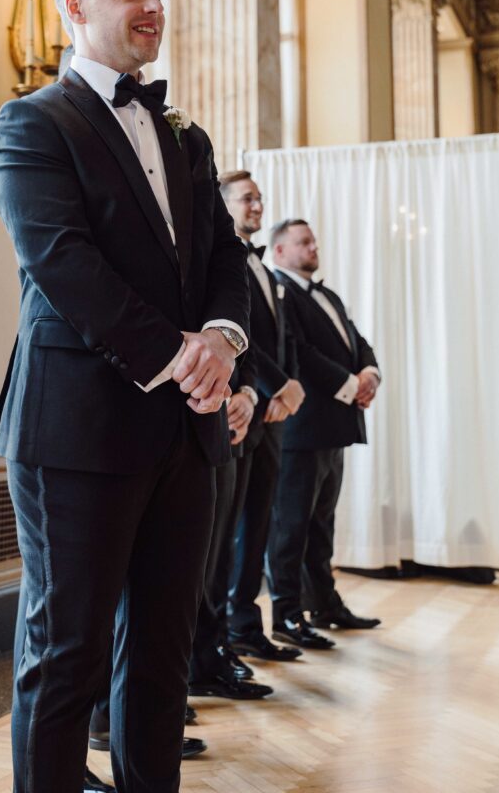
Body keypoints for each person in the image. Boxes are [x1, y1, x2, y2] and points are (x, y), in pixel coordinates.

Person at [0, 0, 249, 793]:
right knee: (67, 655)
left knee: (163, 657)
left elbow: (222, 259)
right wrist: (181, 358)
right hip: (77, 425)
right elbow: (62, 263)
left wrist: (223, 343)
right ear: (74, 6)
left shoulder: (185, 134)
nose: (154, 8)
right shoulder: (30, 121)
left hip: (186, 432)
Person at [267, 219, 382, 651]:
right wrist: (353, 387)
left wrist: (370, 372)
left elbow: (357, 339)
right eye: (303, 241)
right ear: (279, 252)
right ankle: (286, 614)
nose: (313, 246)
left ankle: (325, 604)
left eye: (313, 240)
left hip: (335, 426)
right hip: (302, 427)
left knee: (321, 524)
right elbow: (302, 353)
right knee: (290, 527)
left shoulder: (327, 294)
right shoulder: (282, 293)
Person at [216, 172, 305, 663]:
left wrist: (287, 389)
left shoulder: (266, 271)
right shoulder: (223, 260)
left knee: (257, 526)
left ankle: (246, 624)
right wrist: (275, 384)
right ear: (223, 204)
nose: (256, 205)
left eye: (259, 198)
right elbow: (240, 334)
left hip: (269, 409)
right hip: (242, 406)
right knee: (228, 531)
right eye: (247, 198)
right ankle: (222, 634)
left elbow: (279, 340)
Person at [187, 342, 275, 701]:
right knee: (191, 564)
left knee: (218, 556)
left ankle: (207, 659)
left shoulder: (238, 288)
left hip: (230, 426)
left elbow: (246, 344)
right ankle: (188, 669)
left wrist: (248, 393)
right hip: (187, 415)